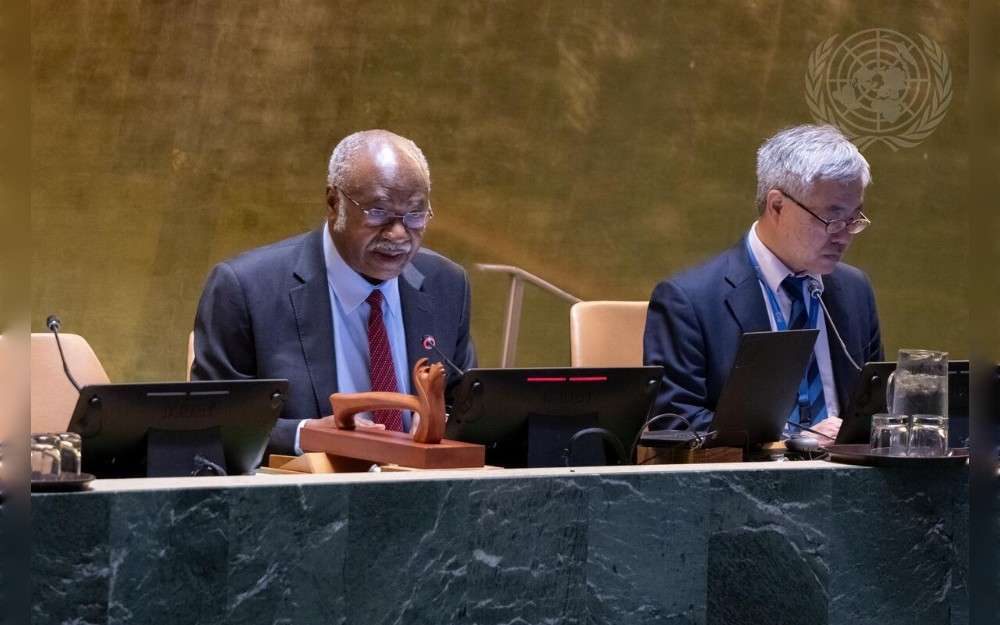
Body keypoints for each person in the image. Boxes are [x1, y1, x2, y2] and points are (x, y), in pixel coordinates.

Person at [191, 129, 476, 455]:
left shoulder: (447, 285)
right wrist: (304, 435)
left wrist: (442, 422)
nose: (399, 234)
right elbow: (212, 420)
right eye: (378, 212)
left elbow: (464, 403)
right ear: (333, 203)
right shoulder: (245, 288)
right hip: (303, 495)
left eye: (415, 214)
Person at [643, 124, 883, 441]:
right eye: (832, 218)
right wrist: (789, 439)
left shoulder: (855, 290)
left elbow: (878, 406)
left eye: (854, 218)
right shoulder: (688, 301)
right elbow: (674, 424)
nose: (844, 235)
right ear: (777, 206)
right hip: (744, 485)